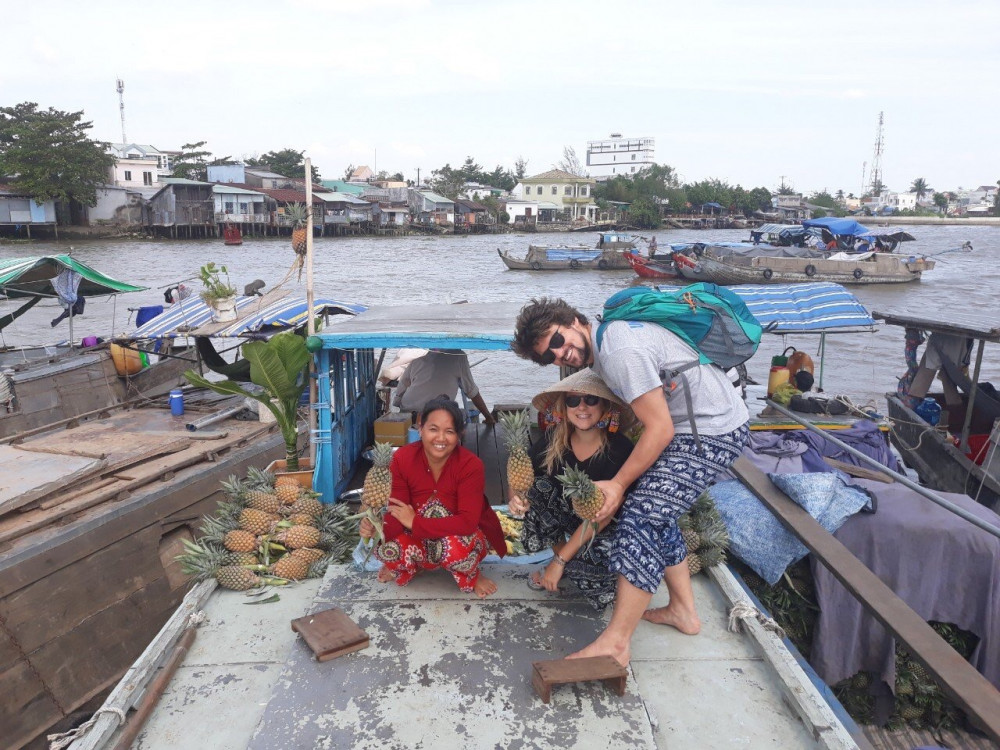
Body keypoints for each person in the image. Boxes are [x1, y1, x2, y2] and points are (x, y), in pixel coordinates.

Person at [511, 297, 750, 667]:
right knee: (659, 509)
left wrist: (619, 483)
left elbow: (660, 428)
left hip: (711, 430)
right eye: (549, 357)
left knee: (641, 513)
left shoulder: (619, 350)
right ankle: (684, 611)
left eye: (557, 341)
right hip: (694, 428)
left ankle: (616, 642)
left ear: (574, 320)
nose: (560, 355)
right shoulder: (608, 348)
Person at [509, 368, 635, 611]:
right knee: (537, 489)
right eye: (573, 400)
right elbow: (522, 471)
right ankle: (565, 561)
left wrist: (558, 561)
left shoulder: (620, 449)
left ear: (604, 406)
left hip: (606, 526)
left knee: (595, 577)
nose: (582, 407)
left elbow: (604, 516)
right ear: (564, 408)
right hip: (570, 517)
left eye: (591, 399)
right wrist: (516, 498)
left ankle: (566, 562)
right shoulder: (553, 438)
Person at [360, 396, 506, 598]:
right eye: (433, 429)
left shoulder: (471, 465)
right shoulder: (402, 459)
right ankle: (417, 566)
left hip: (461, 537)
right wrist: (374, 527)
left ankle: (472, 574)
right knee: (385, 547)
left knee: (456, 548)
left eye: (449, 431)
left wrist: (414, 522)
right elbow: (396, 511)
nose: (440, 438)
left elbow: (467, 523)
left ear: (459, 434)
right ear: (420, 429)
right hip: (419, 535)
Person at [393, 349, 496, 425]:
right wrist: (488, 417)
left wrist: (397, 404)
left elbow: (403, 384)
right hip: (434, 415)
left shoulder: (419, 355)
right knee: (462, 414)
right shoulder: (459, 356)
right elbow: (472, 392)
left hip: (407, 412)